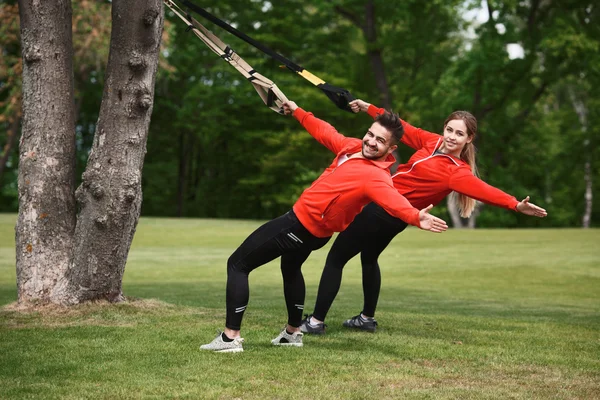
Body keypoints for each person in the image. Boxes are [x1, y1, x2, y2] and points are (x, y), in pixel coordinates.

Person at [200, 100, 449, 352]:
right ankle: (293, 333)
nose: (371, 142)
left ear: (391, 148)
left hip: (299, 225)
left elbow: (394, 201)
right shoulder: (351, 147)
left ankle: (230, 338)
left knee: (238, 264)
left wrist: (417, 217)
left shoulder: (376, 176)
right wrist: (297, 111)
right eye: (370, 134)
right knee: (291, 266)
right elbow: (325, 131)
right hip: (316, 233)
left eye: (380, 141)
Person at [300, 99, 548, 334]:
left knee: (336, 259)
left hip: (383, 211)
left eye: (459, 134)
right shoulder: (433, 142)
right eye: (449, 129)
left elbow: (486, 191)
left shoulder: (456, 172)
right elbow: (405, 129)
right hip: (394, 215)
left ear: (469, 139)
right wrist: (369, 108)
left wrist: (515, 205)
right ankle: (366, 319)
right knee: (369, 258)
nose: (451, 136)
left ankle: (315, 322)